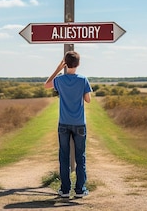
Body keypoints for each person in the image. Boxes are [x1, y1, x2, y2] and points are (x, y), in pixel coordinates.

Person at [44, 50, 92, 199]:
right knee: (80, 157)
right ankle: (80, 190)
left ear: (65, 63)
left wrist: (58, 69)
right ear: (78, 64)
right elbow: (88, 100)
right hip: (79, 124)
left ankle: (65, 190)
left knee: (64, 157)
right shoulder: (83, 79)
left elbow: (46, 85)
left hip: (63, 123)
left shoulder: (60, 80)